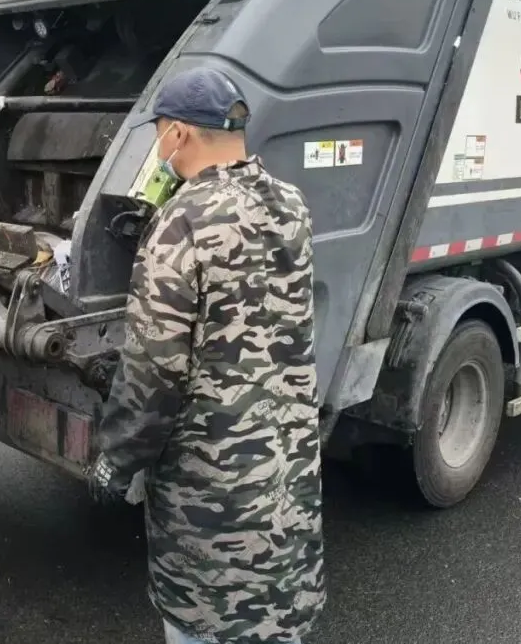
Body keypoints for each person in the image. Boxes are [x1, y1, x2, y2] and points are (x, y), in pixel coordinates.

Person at [87, 66, 325, 644]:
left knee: (208, 624)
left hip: (211, 490)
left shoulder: (181, 222)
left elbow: (153, 373)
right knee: (275, 616)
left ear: (178, 133)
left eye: (158, 134)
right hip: (287, 466)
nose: (158, 148)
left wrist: (115, 460)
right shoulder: (292, 205)